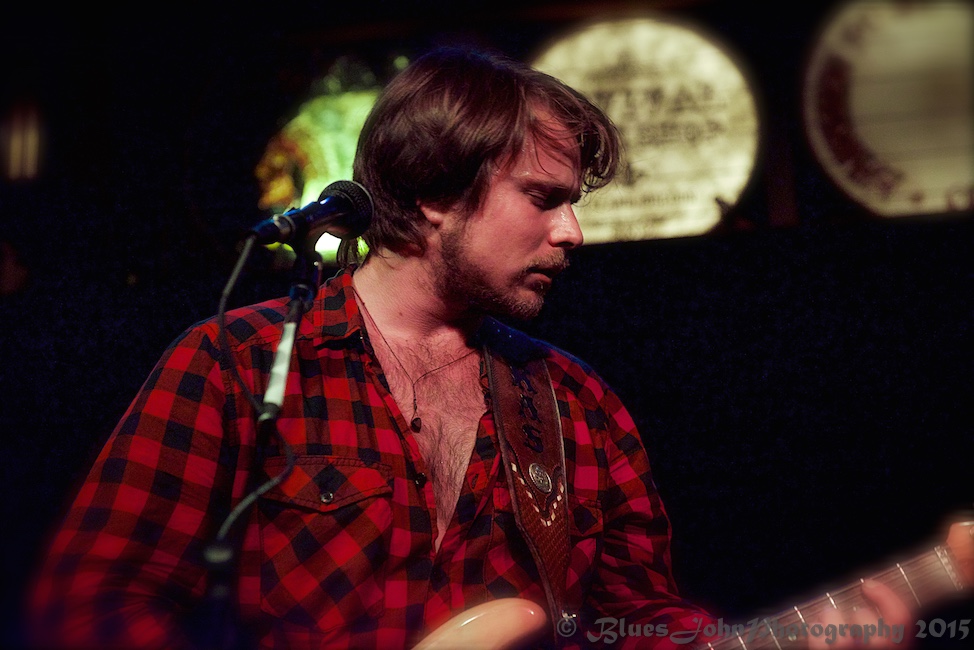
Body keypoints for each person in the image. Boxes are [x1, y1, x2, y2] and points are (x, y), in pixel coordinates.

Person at [27, 47, 912, 649]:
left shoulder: (577, 407)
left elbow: (637, 626)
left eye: (576, 202)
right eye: (542, 197)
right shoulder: (240, 364)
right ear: (434, 192)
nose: (573, 233)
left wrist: (811, 631)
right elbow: (87, 604)